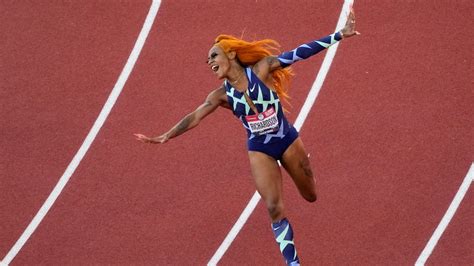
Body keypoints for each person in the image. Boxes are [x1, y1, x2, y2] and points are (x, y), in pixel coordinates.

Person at [135, 9, 359, 265]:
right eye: (208, 60)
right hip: (259, 150)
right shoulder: (220, 96)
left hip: (286, 139)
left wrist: (340, 34)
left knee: (311, 195)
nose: (210, 62)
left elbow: (299, 53)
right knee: (274, 208)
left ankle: (300, 164)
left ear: (231, 54)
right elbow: (194, 117)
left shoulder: (262, 70)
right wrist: (165, 136)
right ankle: (293, 263)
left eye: (214, 56)